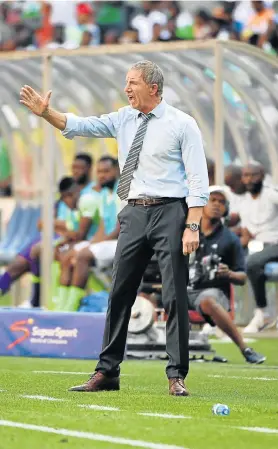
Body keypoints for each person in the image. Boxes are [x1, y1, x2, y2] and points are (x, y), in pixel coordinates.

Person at [20, 60, 209, 397]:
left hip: (171, 211)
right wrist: (47, 114)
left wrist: (192, 224)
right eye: (126, 82)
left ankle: (176, 375)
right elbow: (80, 125)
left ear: (153, 87)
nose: (126, 89)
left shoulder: (183, 124)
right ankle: (107, 372)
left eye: (132, 83)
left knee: (174, 292)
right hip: (134, 212)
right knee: (120, 290)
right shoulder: (123, 118)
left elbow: (198, 180)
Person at [188, 186, 265, 364]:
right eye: (212, 200)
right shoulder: (188, 231)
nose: (216, 205)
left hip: (213, 292)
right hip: (183, 288)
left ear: (227, 208)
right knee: (160, 294)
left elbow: (242, 277)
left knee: (208, 301)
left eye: (221, 202)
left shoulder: (230, 239)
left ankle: (245, 348)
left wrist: (228, 273)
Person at [57, 155, 121, 311]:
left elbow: (121, 227)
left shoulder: (123, 191)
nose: (102, 175)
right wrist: (93, 243)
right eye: (99, 172)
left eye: (106, 171)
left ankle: (71, 308)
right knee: (67, 256)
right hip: (106, 242)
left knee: (82, 256)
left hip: (120, 242)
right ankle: (61, 306)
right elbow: (102, 226)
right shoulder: (105, 194)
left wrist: (96, 245)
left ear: (117, 171)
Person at [234, 162, 278, 333]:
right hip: (257, 247)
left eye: (254, 175)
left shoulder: (271, 194)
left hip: (275, 244)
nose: (249, 179)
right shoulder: (244, 203)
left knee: (253, 262)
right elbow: (246, 232)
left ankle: (262, 313)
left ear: (262, 176)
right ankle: (220, 317)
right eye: (246, 175)